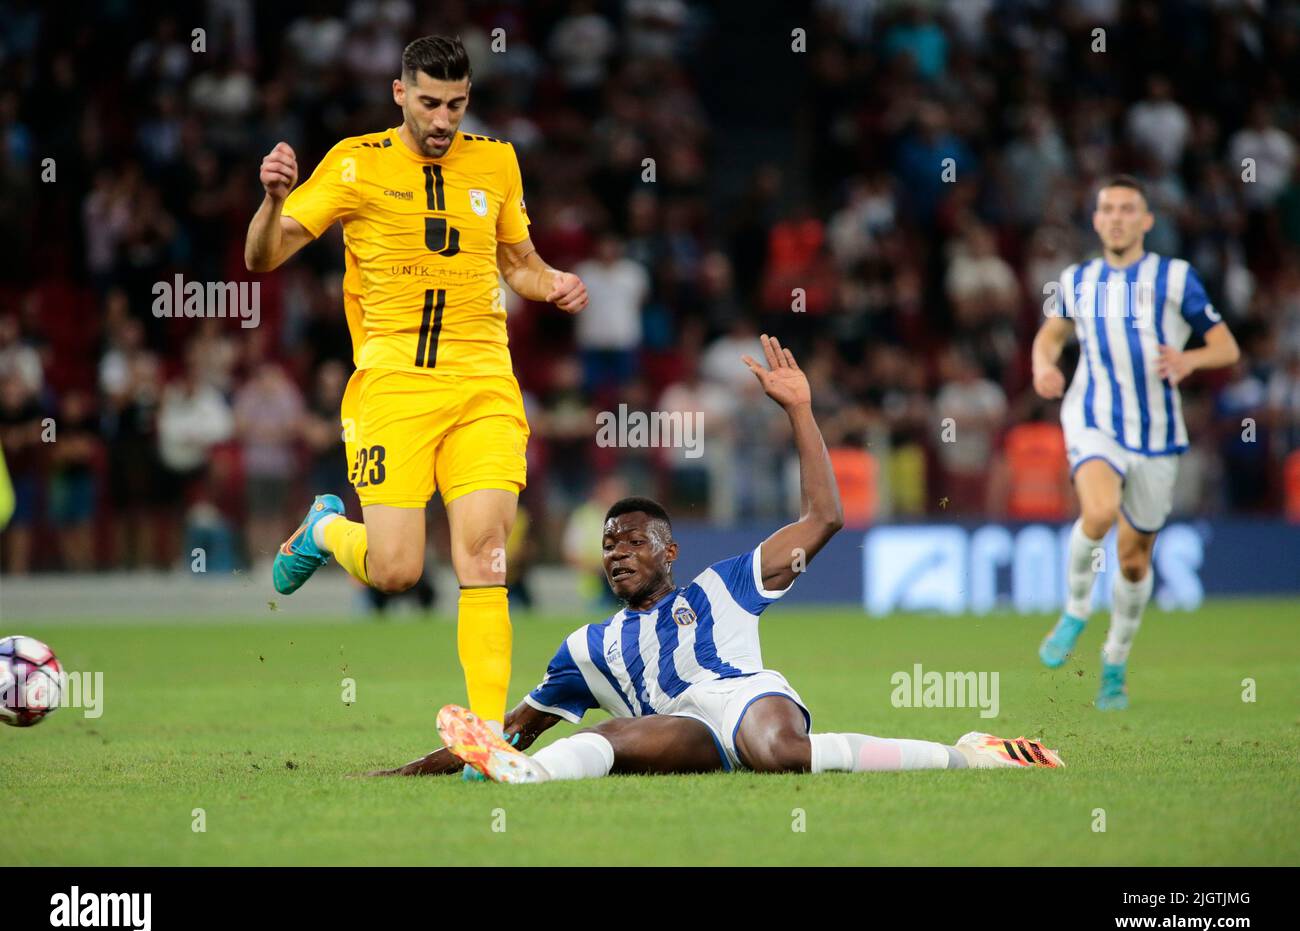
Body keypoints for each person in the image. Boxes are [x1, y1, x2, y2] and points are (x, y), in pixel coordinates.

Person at [376, 336, 1064, 781]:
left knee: (780, 753)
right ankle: (535, 779)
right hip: (683, 735)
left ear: (668, 552)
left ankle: (968, 755)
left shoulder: (725, 587)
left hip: (744, 699)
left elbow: (824, 519)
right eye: (608, 544)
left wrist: (799, 410)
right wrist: (400, 775)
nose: (616, 553)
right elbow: (506, 734)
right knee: (617, 734)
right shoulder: (586, 649)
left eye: (632, 542)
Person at [244, 36, 587, 732]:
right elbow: (264, 257)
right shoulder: (353, 162)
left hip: (485, 383)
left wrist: (550, 281)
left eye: (456, 105)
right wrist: (272, 198)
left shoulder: (496, 160)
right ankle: (326, 529)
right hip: (394, 386)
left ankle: (486, 739)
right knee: (397, 570)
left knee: (486, 554)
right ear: (400, 94)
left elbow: (518, 262)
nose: (442, 119)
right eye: (429, 102)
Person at [1032, 174, 1241, 709]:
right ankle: (1077, 609)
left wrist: (1188, 358)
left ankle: (1115, 662)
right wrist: (1042, 366)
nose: (1118, 217)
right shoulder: (1076, 279)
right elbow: (1052, 334)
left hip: (1158, 434)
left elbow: (1225, 347)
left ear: (1147, 220)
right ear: (1097, 220)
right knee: (1098, 513)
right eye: (1108, 209)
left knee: (1131, 562)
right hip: (1093, 416)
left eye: (1128, 209)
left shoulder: (1176, 278)